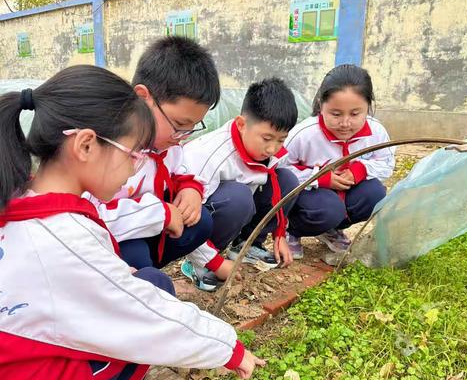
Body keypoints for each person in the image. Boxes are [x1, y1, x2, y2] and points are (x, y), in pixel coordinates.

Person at [0, 65, 264, 380]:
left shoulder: (21, 198)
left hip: (12, 379)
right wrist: (229, 348)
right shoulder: (62, 237)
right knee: (144, 299)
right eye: (132, 153)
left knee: (138, 284)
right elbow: (146, 316)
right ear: (86, 145)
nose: (137, 165)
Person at [87, 36, 223, 275]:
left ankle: (153, 272)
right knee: (134, 253)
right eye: (180, 123)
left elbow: (179, 171)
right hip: (112, 235)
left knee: (202, 221)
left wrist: (189, 189)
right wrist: (159, 213)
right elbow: (90, 218)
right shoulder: (109, 148)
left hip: (153, 224)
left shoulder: (169, 143)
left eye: (193, 126)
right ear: (143, 98)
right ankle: (141, 280)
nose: (183, 135)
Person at [181, 78, 299, 291]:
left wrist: (280, 233)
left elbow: (274, 184)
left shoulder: (267, 150)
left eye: (281, 140)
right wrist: (215, 263)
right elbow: (188, 220)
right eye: (267, 138)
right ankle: (198, 263)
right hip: (204, 217)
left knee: (287, 180)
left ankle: (247, 245)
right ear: (241, 125)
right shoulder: (208, 155)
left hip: (238, 206)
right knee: (239, 197)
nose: (273, 148)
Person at [284, 64, 395, 260]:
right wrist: (319, 178)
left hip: (344, 194)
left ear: (368, 106)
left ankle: (331, 230)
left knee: (375, 194)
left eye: (355, 114)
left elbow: (386, 163)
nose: (345, 123)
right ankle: (292, 230)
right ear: (321, 105)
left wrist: (360, 170)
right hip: (312, 197)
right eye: (336, 114)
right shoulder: (304, 135)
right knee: (328, 209)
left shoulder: (376, 132)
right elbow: (281, 171)